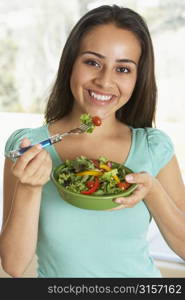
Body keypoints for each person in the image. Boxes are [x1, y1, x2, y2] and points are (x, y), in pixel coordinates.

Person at [0, 4, 185, 278]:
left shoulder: (153, 147)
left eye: (123, 69)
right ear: (71, 63)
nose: (104, 81)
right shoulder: (29, 147)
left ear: (137, 78)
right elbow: (14, 266)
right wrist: (29, 188)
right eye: (93, 62)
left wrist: (154, 192)